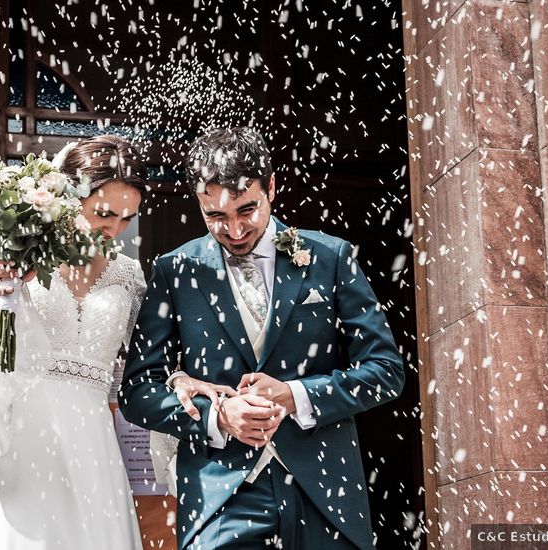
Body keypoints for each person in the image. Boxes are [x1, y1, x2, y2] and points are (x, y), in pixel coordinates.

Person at [119, 127, 405, 549]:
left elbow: (386, 371)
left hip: (323, 488)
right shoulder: (174, 271)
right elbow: (138, 392)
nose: (234, 230)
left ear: (272, 187)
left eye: (246, 210)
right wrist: (218, 418)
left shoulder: (330, 257)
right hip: (220, 494)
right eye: (215, 216)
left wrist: (295, 395)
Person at [0, 135, 230, 550]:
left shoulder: (128, 275)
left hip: (91, 446)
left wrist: (182, 378)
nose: (114, 230)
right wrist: (0, 304)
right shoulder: (12, 253)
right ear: (66, 194)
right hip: (20, 443)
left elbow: (150, 362)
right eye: (104, 214)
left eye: (127, 219)